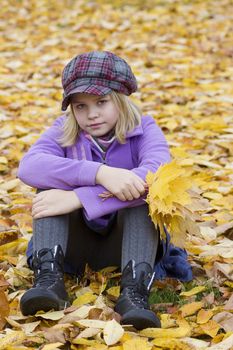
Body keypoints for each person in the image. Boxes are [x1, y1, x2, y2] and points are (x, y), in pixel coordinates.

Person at [17, 51, 171, 330]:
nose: (92, 114)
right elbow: (29, 167)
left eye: (102, 102)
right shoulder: (64, 130)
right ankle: (49, 282)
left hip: (127, 245)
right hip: (75, 245)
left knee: (145, 197)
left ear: (122, 98)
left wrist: (79, 196)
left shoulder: (144, 130)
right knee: (48, 186)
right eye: (80, 106)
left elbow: (158, 176)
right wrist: (100, 173)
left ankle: (134, 294)